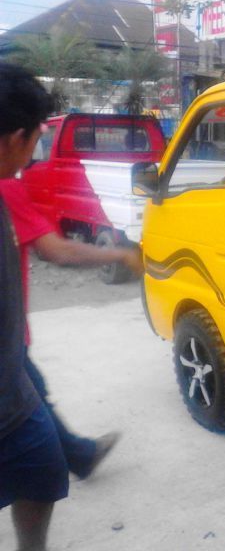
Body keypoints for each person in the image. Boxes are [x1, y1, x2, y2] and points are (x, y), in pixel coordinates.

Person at [0, 176, 143, 478]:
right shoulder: (6, 188)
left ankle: (80, 456)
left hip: (10, 340)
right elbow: (57, 251)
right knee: (31, 413)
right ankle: (78, 457)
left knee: (34, 397)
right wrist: (120, 254)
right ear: (15, 139)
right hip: (6, 339)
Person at [0, 61, 62, 551]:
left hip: (13, 388)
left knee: (45, 467)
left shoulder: (5, 187)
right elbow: (55, 249)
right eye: (38, 137)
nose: (37, 149)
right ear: (15, 136)